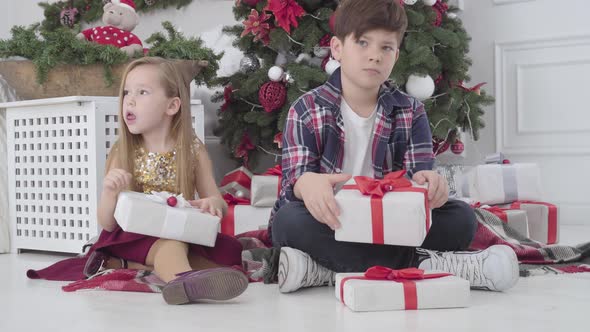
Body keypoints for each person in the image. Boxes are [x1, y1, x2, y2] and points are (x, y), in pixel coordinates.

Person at [270, 0, 518, 293]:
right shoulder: (306, 109)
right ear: (337, 48)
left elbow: (419, 181)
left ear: (396, 55)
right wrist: (307, 183)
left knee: (461, 219)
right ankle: (429, 264)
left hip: (391, 223)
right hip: (334, 218)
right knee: (287, 222)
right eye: (363, 43)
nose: (374, 56)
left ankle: (323, 269)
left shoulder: (410, 111)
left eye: (386, 47)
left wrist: (430, 185)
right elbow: (293, 185)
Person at [27, 57, 248, 304]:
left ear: (172, 106)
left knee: (230, 252)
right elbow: (107, 224)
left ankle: (132, 265)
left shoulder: (193, 151)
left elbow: (216, 199)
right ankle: (182, 281)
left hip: (177, 226)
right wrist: (110, 192)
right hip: (133, 235)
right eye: (126, 93)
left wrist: (213, 205)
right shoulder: (124, 151)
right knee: (170, 247)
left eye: (142, 92)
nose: (129, 100)